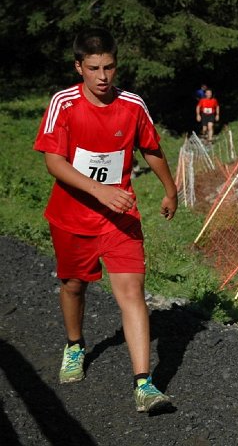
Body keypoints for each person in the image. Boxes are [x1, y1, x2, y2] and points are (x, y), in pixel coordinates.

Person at [33, 27, 179, 413]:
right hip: (72, 217)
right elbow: (53, 161)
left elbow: (151, 147)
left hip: (120, 216)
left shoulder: (132, 104)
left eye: (109, 67)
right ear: (78, 67)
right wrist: (98, 191)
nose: (102, 76)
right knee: (73, 286)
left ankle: (144, 384)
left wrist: (170, 189)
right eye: (94, 68)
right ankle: (75, 344)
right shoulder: (63, 103)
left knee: (131, 293)